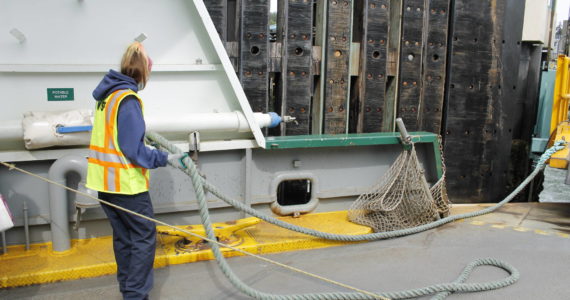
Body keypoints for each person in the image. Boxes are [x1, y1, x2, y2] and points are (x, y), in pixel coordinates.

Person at [86, 41, 184, 300]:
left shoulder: (107, 97)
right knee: (142, 238)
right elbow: (131, 149)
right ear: (144, 73)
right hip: (126, 185)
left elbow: (116, 138)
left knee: (124, 238)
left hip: (105, 184)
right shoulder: (128, 100)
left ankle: (128, 289)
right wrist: (165, 157)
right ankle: (135, 295)